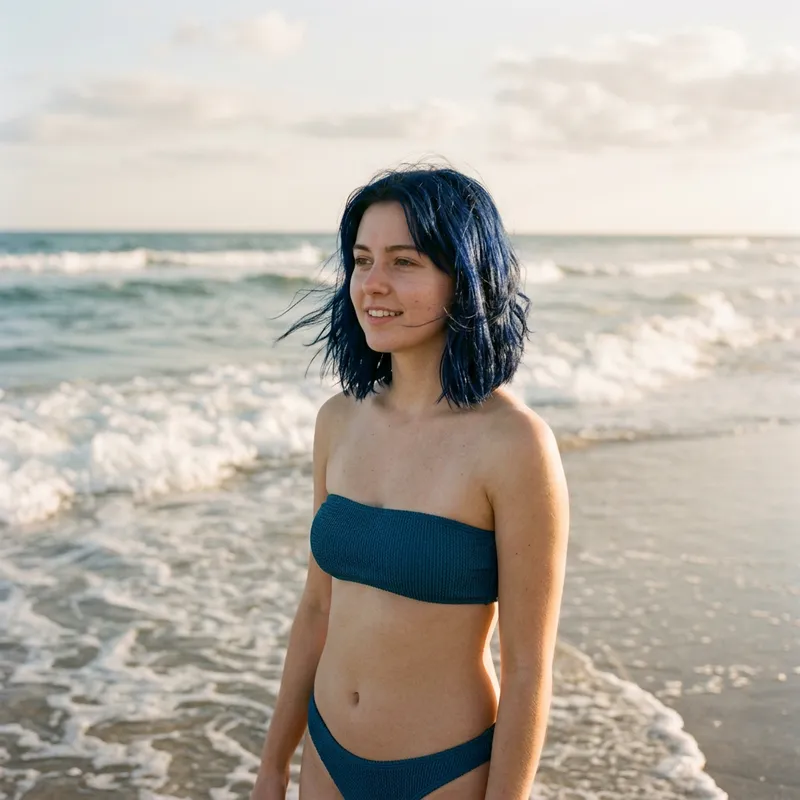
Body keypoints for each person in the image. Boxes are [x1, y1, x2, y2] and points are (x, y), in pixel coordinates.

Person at [250, 164, 570, 800]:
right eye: (362, 260)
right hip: (327, 755)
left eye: (405, 261)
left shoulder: (514, 444)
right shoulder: (338, 422)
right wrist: (272, 765)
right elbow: (317, 609)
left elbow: (529, 669)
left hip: (446, 771)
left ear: (465, 277)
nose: (372, 284)